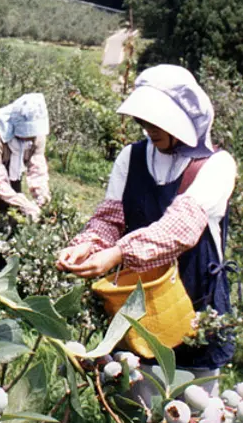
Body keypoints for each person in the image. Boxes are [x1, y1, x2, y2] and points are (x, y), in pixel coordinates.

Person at [57, 64, 237, 378]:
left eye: (158, 121)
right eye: (144, 120)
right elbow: (111, 219)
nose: (149, 128)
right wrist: (88, 244)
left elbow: (179, 229)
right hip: (139, 302)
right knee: (138, 399)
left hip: (197, 302)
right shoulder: (132, 157)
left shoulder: (216, 166)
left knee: (191, 406)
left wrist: (118, 254)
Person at [0, 92, 50, 230]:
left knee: (14, 219)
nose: (29, 138)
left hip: (14, 173)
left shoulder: (37, 137)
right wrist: (24, 204)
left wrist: (42, 198)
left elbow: (37, 170)